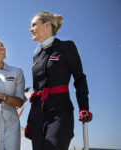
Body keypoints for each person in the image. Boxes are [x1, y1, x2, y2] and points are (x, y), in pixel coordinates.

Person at [25, 12, 93, 150]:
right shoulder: (36, 56)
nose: (30, 29)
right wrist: (29, 121)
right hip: (37, 116)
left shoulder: (66, 47)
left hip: (60, 112)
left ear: (47, 25)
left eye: (34, 25)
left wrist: (84, 107)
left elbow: (79, 78)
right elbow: (36, 90)